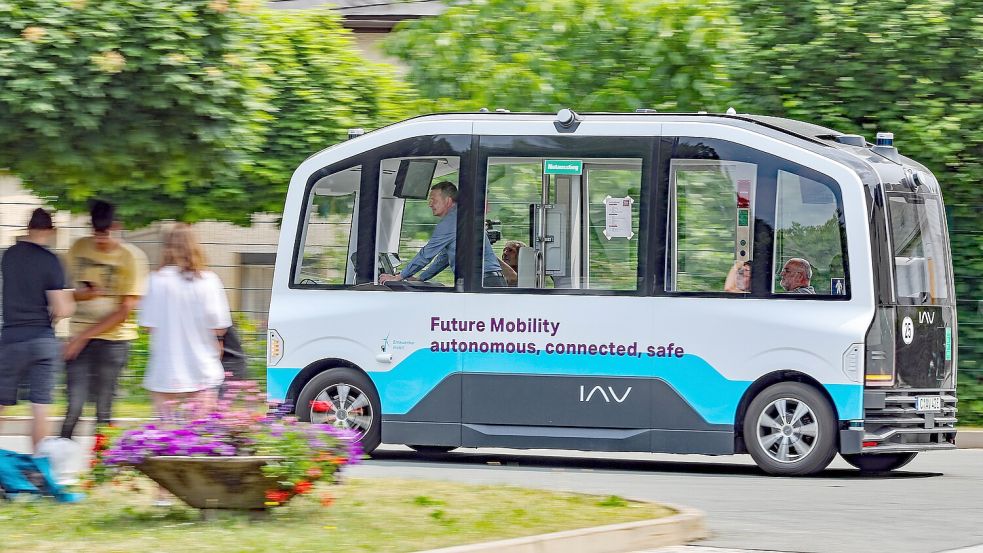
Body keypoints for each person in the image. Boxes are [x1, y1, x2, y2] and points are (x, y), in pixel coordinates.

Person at [60, 200, 148, 439]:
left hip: (113, 341)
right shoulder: (78, 248)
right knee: (74, 406)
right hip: (78, 336)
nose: (100, 239)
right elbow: (63, 291)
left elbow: (125, 311)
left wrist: (81, 338)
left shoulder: (132, 258)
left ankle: (102, 468)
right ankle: (56, 462)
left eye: (106, 233)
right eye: (96, 232)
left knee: (104, 409)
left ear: (117, 227)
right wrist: (83, 294)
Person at [0, 209, 75, 451]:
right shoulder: (51, 261)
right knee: (40, 407)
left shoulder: (9, 256)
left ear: (29, 227)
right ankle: (39, 467)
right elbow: (61, 308)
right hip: (41, 339)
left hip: (11, 338)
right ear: (51, 231)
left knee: (1, 402)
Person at [139, 224, 232, 419]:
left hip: (165, 365)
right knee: (199, 432)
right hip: (201, 364)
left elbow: (148, 324)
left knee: (166, 431)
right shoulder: (209, 280)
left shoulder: (156, 280)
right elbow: (220, 326)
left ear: (167, 247)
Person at [379, 182, 506, 287]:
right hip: (490, 281)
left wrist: (399, 277)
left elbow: (427, 254)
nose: (430, 204)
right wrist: (420, 278)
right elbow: (443, 259)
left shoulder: (451, 221)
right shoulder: (459, 218)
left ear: (448, 200)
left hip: (483, 282)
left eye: (433, 200)